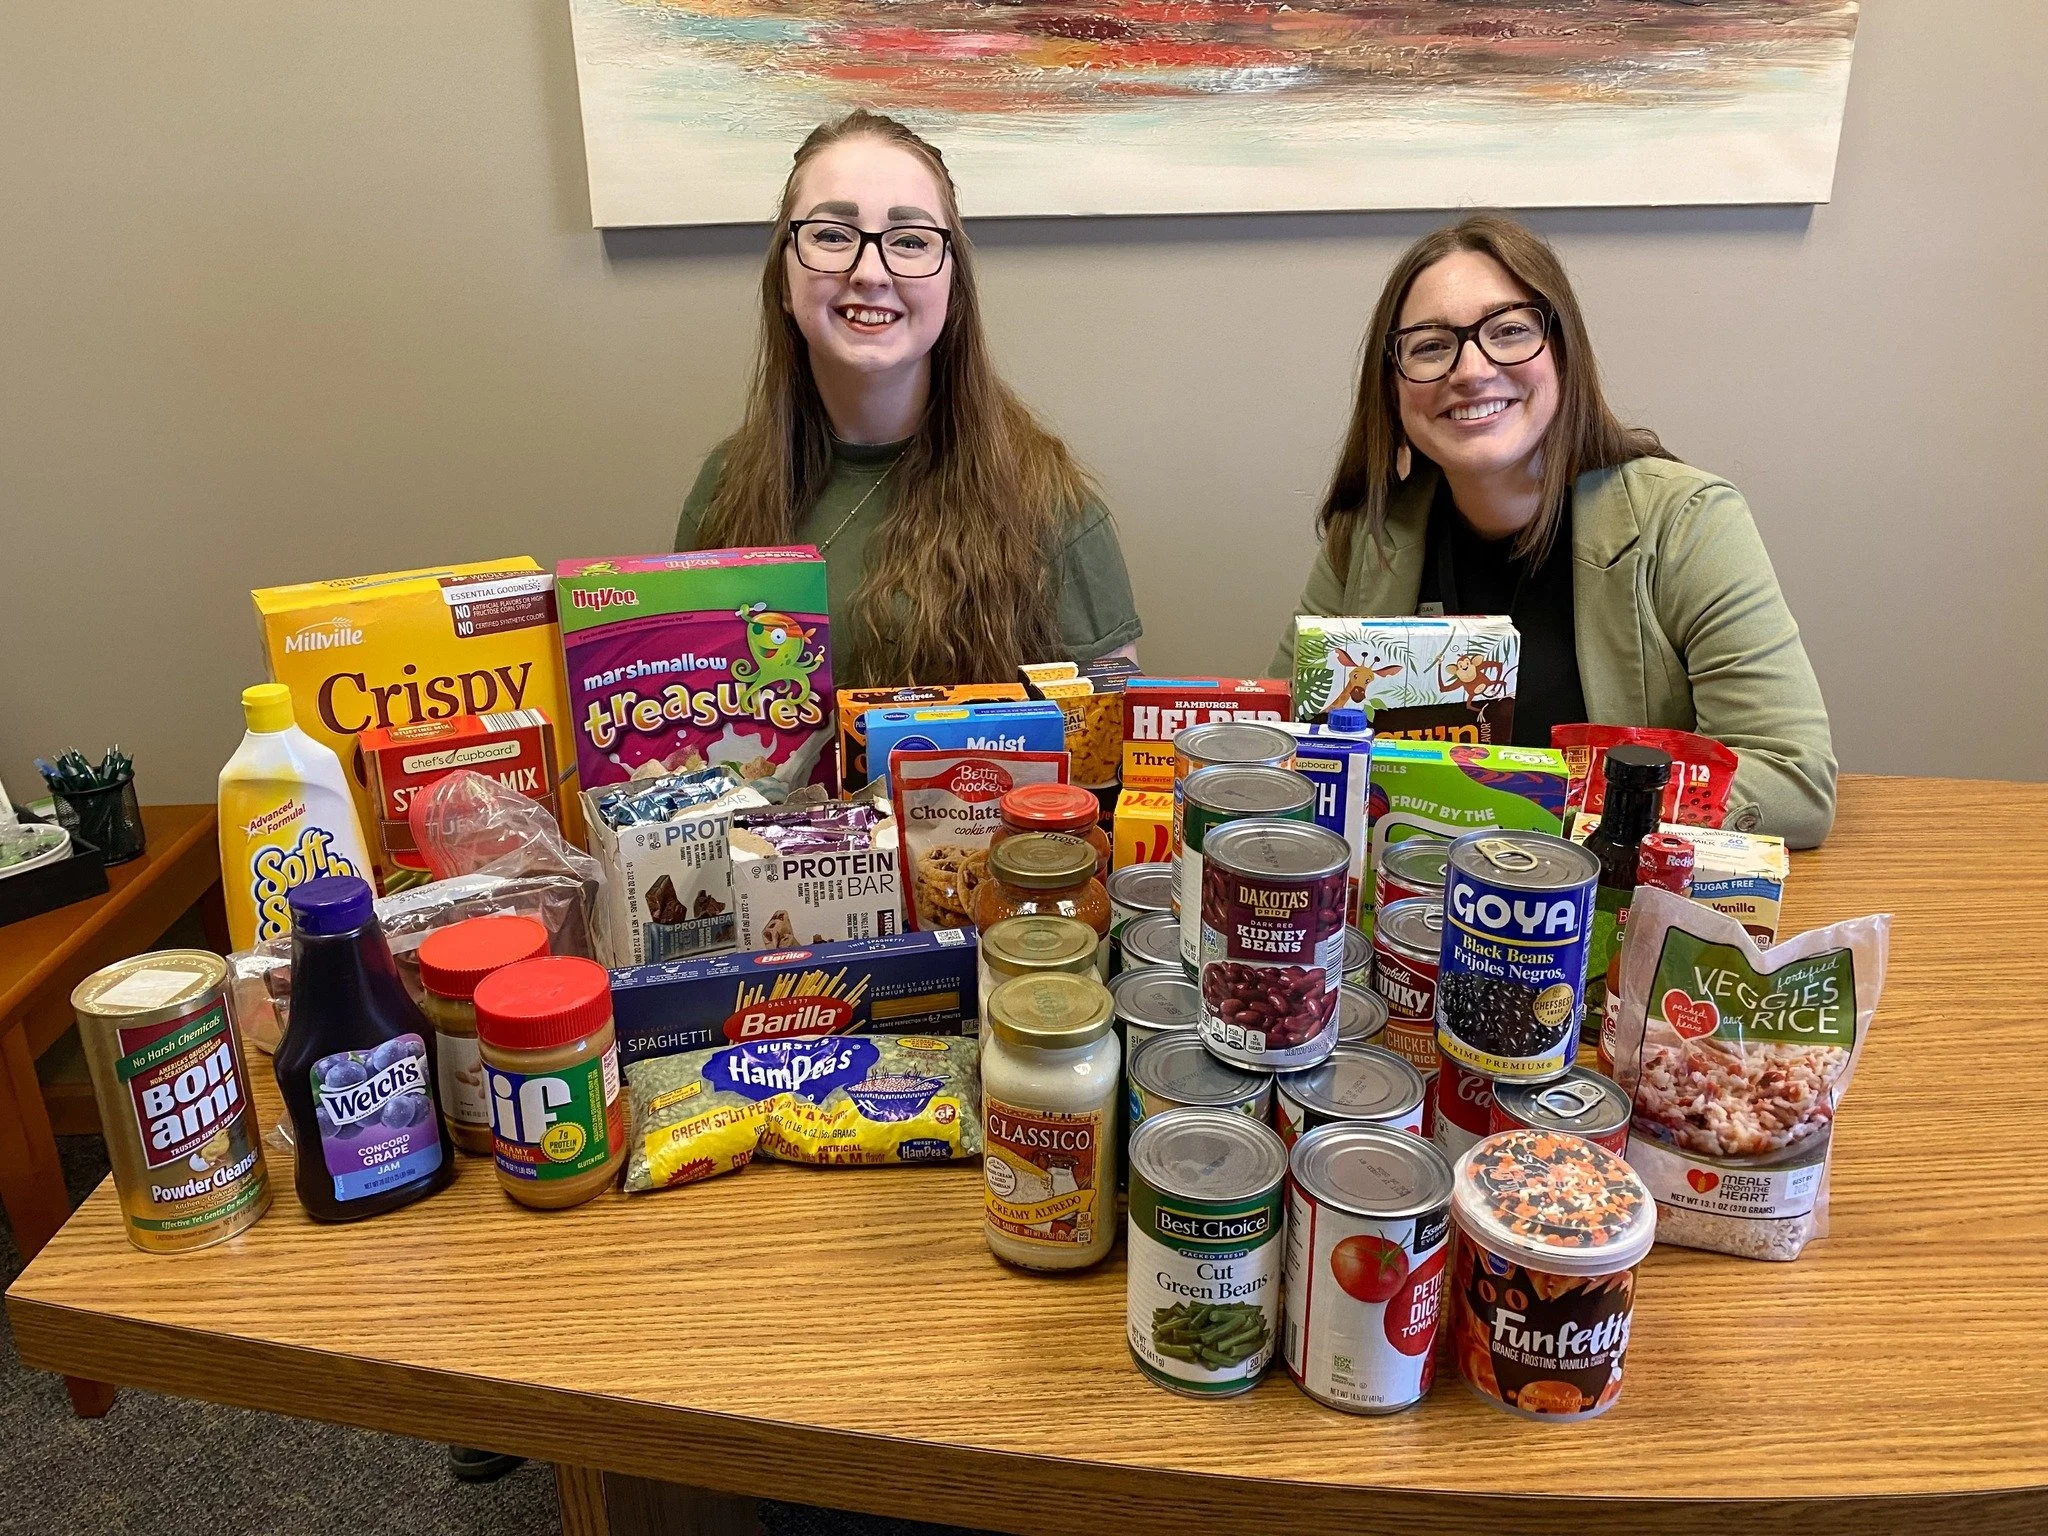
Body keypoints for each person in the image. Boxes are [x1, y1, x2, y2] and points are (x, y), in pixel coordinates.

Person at [1270, 214, 1835, 847]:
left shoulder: (1688, 523)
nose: (1471, 369)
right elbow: (1281, 749)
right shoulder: (1365, 535)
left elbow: (1794, 783)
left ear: (1563, 352)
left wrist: (1526, 799)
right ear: (1393, 386)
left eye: (1509, 331)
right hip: (1408, 906)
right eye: (1429, 345)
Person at [676, 110, 1141, 686]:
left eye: (911, 240)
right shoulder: (724, 489)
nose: (871, 271)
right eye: (830, 235)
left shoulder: (1052, 502)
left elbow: (1112, 745)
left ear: (952, 286)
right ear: (785, 282)